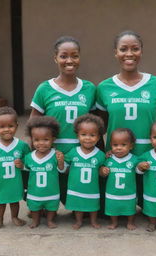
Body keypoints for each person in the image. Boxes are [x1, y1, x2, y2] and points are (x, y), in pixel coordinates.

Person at [96, 30, 156, 207]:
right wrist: (103, 154)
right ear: (115, 53)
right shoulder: (104, 87)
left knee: (154, 203)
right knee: (113, 206)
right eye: (123, 49)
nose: (129, 54)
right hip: (117, 156)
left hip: (150, 156)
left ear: (141, 51)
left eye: (135, 48)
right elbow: (99, 127)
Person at [30, 36, 96, 204]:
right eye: (64, 56)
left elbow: (96, 124)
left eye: (74, 55)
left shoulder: (89, 88)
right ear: (55, 58)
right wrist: (34, 156)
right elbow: (33, 125)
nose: (69, 60)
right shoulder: (44, 88)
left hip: (81, 154)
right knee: (46, 198)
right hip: (52, 153)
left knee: (79, 204)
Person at [15, 116, 66, 228]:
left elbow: (62, 170)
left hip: (51, 191)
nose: (41, 143)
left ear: (53, 139)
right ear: (32, 140)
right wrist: (21, 165)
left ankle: (50, 221)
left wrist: (61, 161)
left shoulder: (56, 154)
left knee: (52, 206)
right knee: (34, 207)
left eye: (45, 139)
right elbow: (26, 169)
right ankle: (35, 221)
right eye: (36, 140)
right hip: (35, 192)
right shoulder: (29, 157)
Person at [0, 106, 30, 228]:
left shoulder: (21, 145)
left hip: (15, 181)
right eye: (2, 127)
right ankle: (0, 220)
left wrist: (22, 164)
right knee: (0, 202)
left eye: (10, 126)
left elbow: (30, 161)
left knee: (15, 200)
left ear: (17, 126)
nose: (7, 130)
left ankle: (15, 217)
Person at [64, 114, 106, 229]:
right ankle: (79, 221)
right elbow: (64, 167)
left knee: (93, 205)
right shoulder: (73, 152)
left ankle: (93, 221)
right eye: (83, 134)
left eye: (92, 135)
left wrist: (103, 171)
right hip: (76, 187)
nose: (88, 138)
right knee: (78, 205)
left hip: (92, 188)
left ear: (98, 137)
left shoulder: (100, 155)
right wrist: (60, 161)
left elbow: (102, 170)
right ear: (77, 136)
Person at [100, 128, 139, 230]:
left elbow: (139, 171)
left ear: (131, 146)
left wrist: (142, 167)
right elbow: (101, 172)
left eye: (123, 145)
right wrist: (103, 171)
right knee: (113, 208)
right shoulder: (108, 159)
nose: (119, 148)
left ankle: (130, 222)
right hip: (112, 192)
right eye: (115, 145)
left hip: (128, 192)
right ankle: (114, 222)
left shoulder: (134, 159)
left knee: (130, 208)